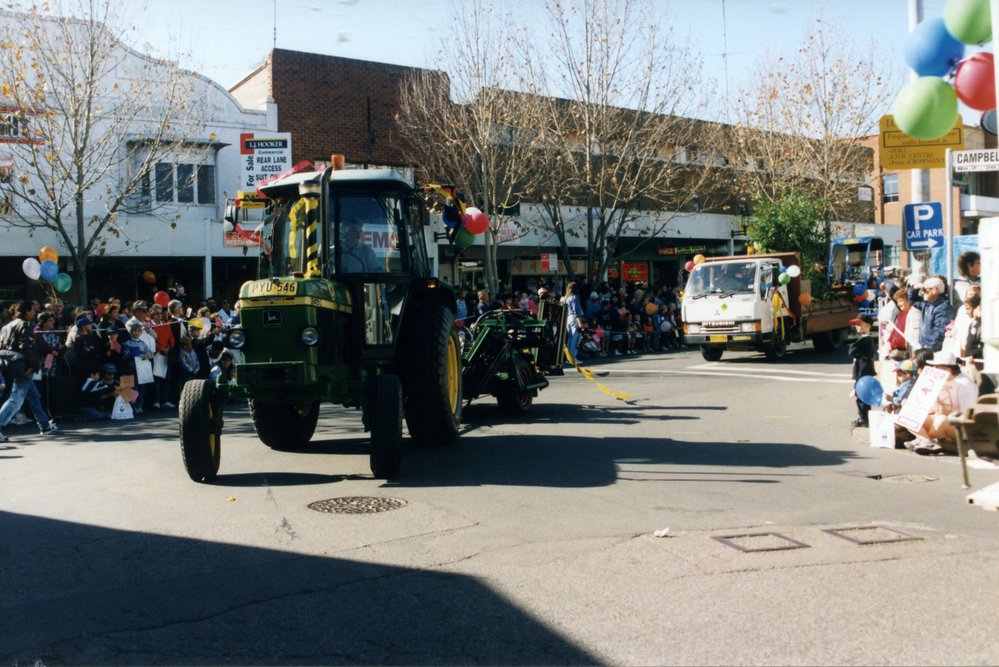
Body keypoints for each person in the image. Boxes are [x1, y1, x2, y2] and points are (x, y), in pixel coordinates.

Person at [0, 300, 58, 441]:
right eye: (32, 310)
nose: (34, 313)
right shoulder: (25, 325)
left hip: (9, 364)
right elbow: (27, 347)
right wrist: (33, 366)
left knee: (33, 395)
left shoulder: (7, 326)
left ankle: (44, 425)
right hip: (23, 366)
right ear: (26, 311)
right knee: (16, 399)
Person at [908, 351, 980, 455]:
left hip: (959, 426)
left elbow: (968, 416)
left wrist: (947, 412)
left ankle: (925, 439)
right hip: (940, 418)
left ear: (948, 368)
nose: (934, 370)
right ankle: (927, 441)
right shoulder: (936, 380)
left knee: (940, 420)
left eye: (937, 367)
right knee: (909, 415)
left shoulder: (966, 384)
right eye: (933, 366)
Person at [907, 275, 954, 353]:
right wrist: (914, 288)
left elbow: (939, 332)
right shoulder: (927, 304)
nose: (922, 292)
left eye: (925, 290)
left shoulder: (943, 307)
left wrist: (928, 351)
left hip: (935, 352)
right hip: (926, 348)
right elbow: (912, 300)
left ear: (934, 290)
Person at [848, 314, 878, 428]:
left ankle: (864, 418)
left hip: (863, 371)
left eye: (859, 324)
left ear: (868, 325)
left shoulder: (866, 339)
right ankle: (864, 418)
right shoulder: (864, 339)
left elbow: (851, 351)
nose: (857, 327)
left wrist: (854, 349)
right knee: (862, 396)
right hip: (863, 370)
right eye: (856, 325)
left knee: (862, 397)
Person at [560, 281, 584, 362]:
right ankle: (573, 357)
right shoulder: (574, 297)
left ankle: (568, 358)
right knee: (575, 338)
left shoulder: (565, 298)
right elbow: (577, 311)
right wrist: (580, 323)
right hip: (574, 318)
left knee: (569, 339)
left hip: (567, 318)